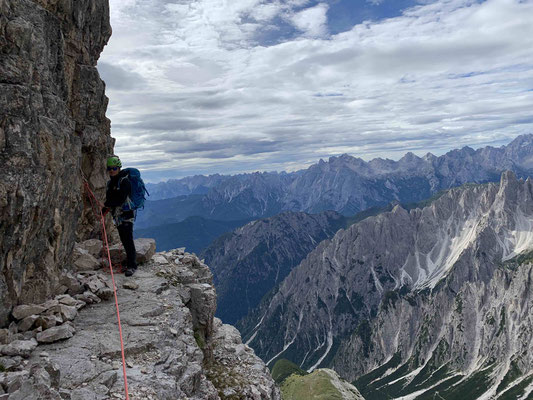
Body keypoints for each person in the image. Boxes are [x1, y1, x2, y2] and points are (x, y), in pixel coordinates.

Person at [103, 155, 137, 277]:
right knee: (124, 239)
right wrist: (104, 210)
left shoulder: (124, 181)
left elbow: (120, 199)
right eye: (109, 168)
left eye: (114, 168)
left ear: (119, 168)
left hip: (126, 215)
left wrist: (107, 205)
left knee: (127, 239)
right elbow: (110, 199)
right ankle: (129, 264)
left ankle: (132, 266)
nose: (111, 170)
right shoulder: (110, 183)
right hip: (118, 216)